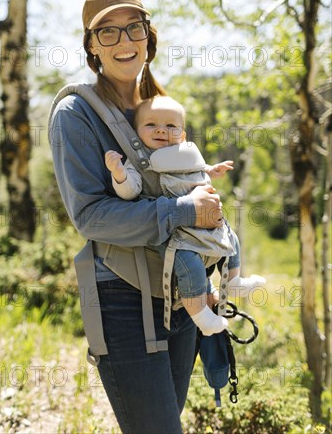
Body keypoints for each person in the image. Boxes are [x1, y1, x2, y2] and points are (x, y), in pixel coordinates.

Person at [50, 0, 238, 433]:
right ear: (92, 47)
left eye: (132, 27)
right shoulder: (75, 114)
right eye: (107, 32)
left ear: (148, 38)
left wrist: (206, 262)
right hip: (121, 298)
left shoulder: (158, 106)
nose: (123, 41)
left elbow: (187, 185)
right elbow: (91, 217)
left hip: (180, 293)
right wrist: (185, 212)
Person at [105, 95, 266, 336]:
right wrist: (119, 174)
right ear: (136, 133)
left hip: (205, 219)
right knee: (188, 264)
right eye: (151, 125)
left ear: (182, 135)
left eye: (170, 126)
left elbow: (197, 171)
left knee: (231, 236)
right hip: (173, 230)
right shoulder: (138, 162)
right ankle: (201, 315)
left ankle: (233, 281)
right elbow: (130, 191)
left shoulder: (184, 154)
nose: (161, 129)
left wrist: (212, 170)